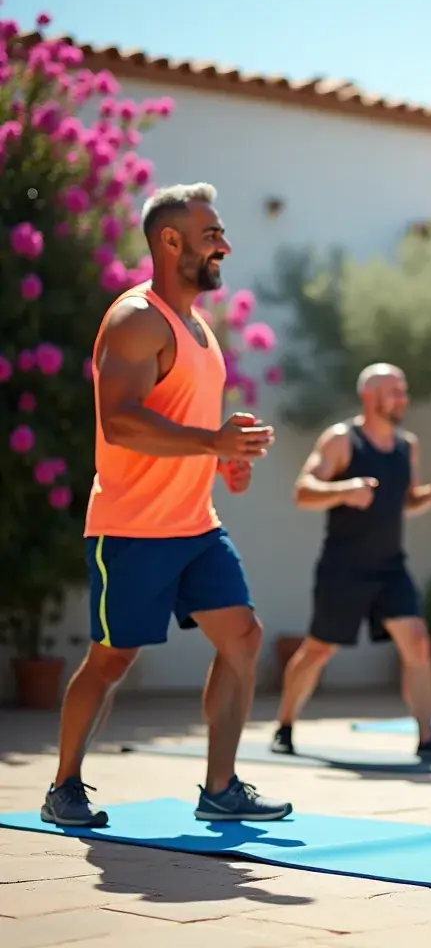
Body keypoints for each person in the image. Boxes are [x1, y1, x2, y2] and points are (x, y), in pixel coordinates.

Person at [42, 182, 292, 828]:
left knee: (243, 636)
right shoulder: (136, 319)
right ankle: (64, 786)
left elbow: (182, 422)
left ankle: (221, 787)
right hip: (131, 529)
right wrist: (211, 441)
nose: (224, 246)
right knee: (112, 658)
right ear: (170, 240)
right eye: (212, 236)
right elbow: (121, 421)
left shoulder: (198, 328)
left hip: (196, 527)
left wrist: (224, 457)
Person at [271, 363, 431, 759]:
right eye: (394, 391)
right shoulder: (341, 440)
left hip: (390, 567)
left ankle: (428, 737)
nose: (402, 399)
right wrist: (343, 490)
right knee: (318, 650)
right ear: (368, 396)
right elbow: (302, 491)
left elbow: (406, 501)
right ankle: (285, 726)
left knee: (417, 642)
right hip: (343, 567)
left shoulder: (406, 445)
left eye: (403, 391)